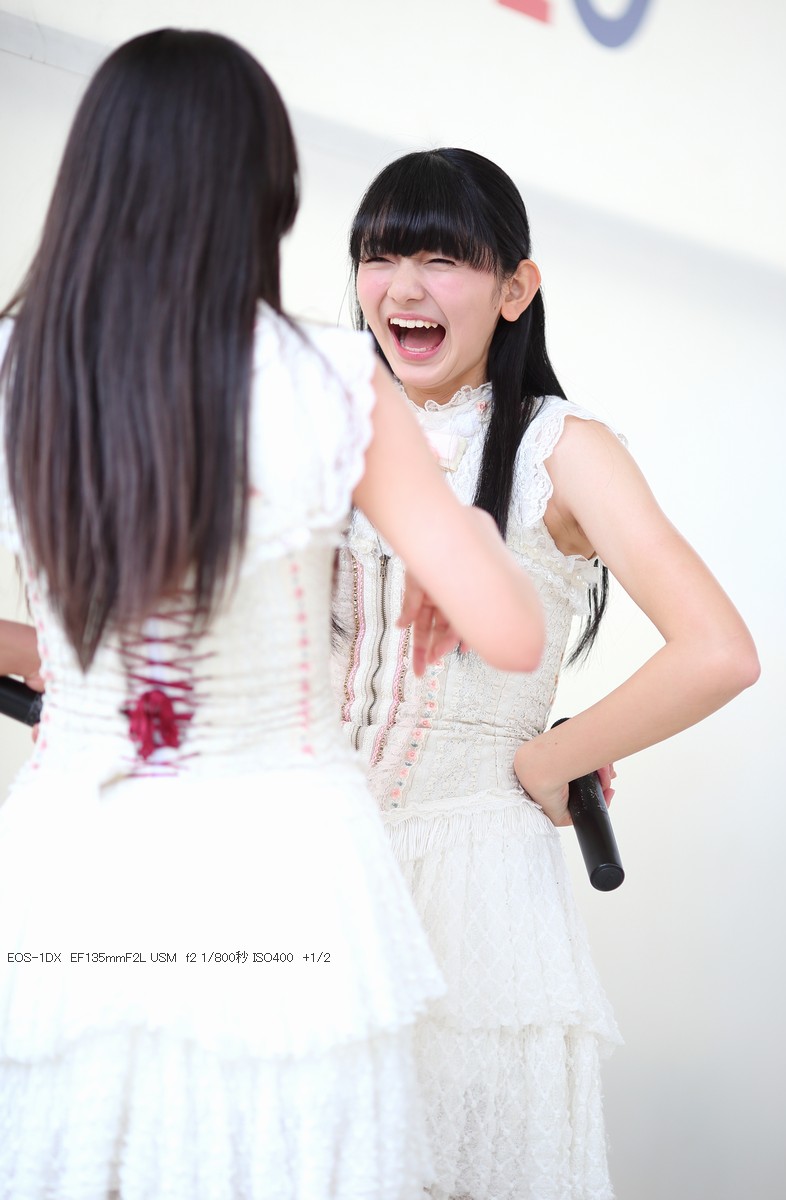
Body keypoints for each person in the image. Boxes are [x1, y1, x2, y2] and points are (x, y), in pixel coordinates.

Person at [0, 44, 546, 1200]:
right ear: (270, 191)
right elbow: (509, 633)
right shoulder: (326, 378)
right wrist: (467, 542)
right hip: (282, 865)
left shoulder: (15, 368)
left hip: (68, 860)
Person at [334, 147, 761, 1200]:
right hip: (311, 861)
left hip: (476, 883)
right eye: (380, 256)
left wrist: (550, 759)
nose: (403, 288)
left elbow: (718, 650)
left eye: (442, 259)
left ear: (515, 288)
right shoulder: (326, 428)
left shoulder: (562, 449)